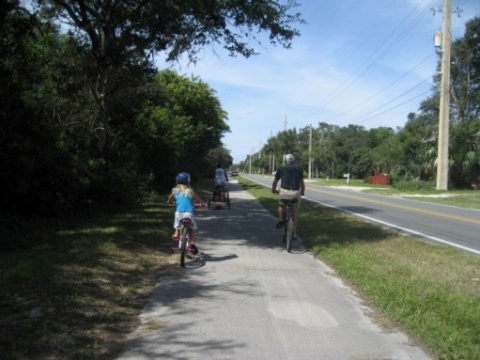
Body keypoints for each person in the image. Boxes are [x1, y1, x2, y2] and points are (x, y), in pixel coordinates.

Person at [167, 172, 206, 254]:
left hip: (179, 212)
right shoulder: (190, 191)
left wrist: (169, 202)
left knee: (177, 220)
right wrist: (203, 204)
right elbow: (198, 199)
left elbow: (170, 199)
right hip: (189, 213)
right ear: (188, 181)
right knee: (191, 229)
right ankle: (192, 243)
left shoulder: (175, 190)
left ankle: (176, 233)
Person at [271, 154, 305, 238]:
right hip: (295, 193)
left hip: (284, 192)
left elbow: (275, 182)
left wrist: (274, 190)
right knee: (295, 212)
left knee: (280, 204)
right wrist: (302, 192)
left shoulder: (281, 169)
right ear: (293, 161)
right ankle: (294, 232)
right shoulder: (299, 169)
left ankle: (280, 220)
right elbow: (302, 183)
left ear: (285, 161)